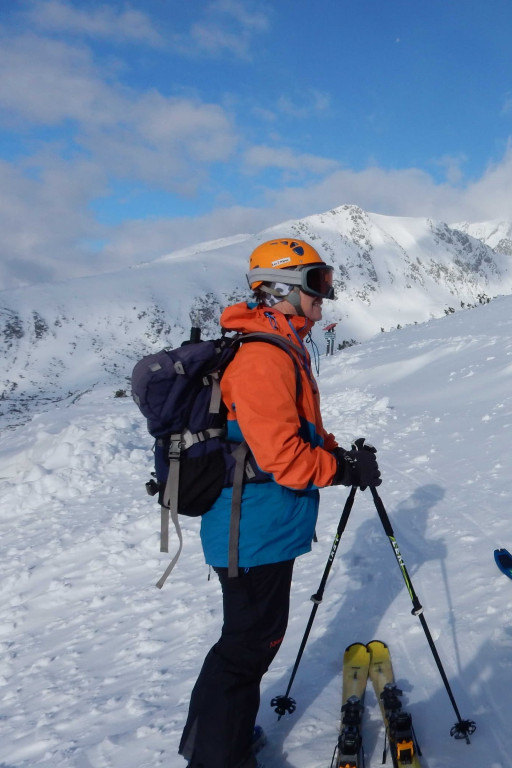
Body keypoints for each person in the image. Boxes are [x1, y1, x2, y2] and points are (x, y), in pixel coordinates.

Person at [179, 238, 381, 768]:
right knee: (247, 648)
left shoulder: (277, 347)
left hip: (261, 524)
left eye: (328, 281)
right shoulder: (265, 357)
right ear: (279, 291)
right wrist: (340, 471)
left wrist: (338, 452)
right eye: (317, 283)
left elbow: (296, 430)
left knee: (248, 645)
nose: (326, 296)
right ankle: (215, 758)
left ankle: (224, 744)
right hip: (252, 530)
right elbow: (285, 458)